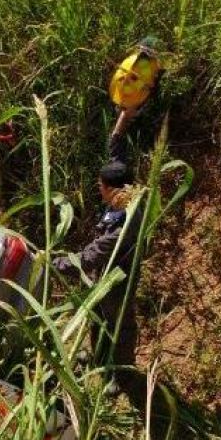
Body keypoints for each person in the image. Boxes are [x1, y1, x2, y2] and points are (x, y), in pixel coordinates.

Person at [56, 160, 145, 400]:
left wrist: (56, 264)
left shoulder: (125, 224)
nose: (99, 188)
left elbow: (91, 256)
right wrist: (120, 127)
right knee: (98, 317)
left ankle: (122, 376)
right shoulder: (120, 201)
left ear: (115, 190)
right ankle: (99, 356)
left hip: (118, 284)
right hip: (102, 277)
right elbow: (117, 154)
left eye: (101, 185)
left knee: (120, 327)